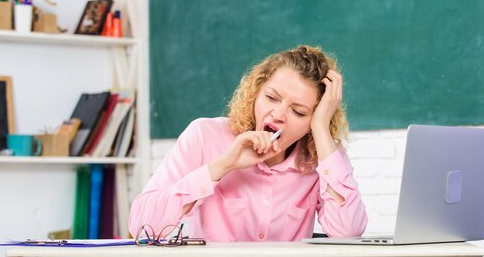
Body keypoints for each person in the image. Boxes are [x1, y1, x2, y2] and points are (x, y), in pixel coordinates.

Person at [128, 45, 367, 242]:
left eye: (299, 111)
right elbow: (141, 225)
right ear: (255, 93)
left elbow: (348, 232)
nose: (278, 114)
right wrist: (222, 166)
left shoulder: (322, 157)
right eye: (271, 98)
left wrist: (321, 131)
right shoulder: (205, 135)